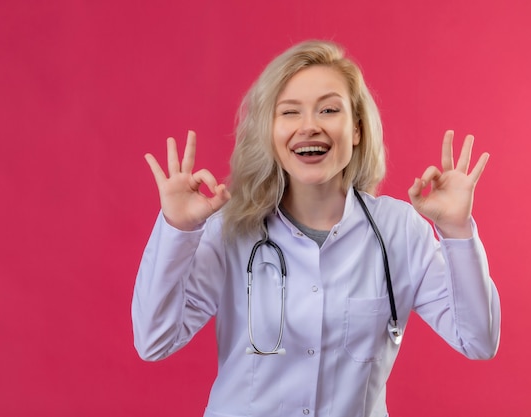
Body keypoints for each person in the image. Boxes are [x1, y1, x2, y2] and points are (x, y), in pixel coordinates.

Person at [132, 40, 501, 417]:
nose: (309, 126)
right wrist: (177, 229)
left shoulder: (399, 231)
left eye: (328, 109)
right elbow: (154, 341)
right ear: (269, 133)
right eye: (290, 113)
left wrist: (457, 231)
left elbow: (478, 340)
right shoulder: (230, 230)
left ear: (356, 130)